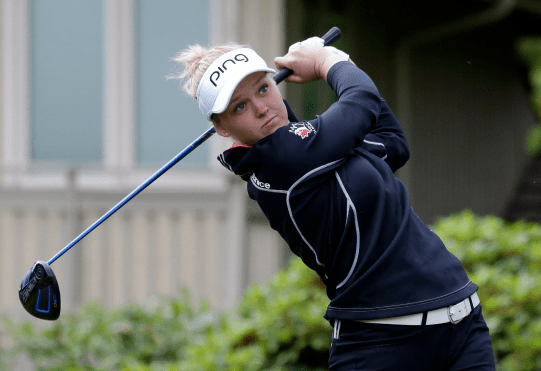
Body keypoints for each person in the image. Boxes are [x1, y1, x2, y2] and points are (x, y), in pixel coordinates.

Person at [172, 37, 496, 370]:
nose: (260, 107)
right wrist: (328, 60)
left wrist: (336, 65)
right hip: (382, 344)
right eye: (239, 106)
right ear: (221, 128)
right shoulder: (279, 160)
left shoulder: (317, 146)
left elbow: (393, 143)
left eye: (263, 88)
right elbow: (361, 101)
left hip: (462, 325)